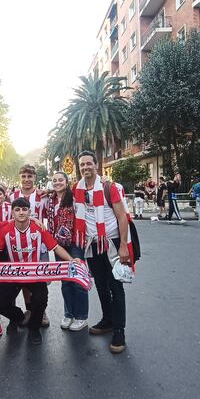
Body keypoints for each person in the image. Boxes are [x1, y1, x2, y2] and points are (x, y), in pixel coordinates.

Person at [0, 198, 83, 346]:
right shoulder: (6, 231)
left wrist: (71, 259)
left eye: (24, 209)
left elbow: (55, 248)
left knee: (41, 299)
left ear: (29, 211)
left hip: (35, 274)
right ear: (12, 213)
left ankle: (34, 328)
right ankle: (20, 317)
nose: (21, 212)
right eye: (17, 209)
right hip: (13, 275)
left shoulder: (38, 229)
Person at [73, 151, 132, 354]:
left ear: (96, 165)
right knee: (100, 285)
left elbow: (122, 217)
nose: (85, 167)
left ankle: (119, 331)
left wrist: (123, 245)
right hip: (92, 244)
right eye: (82, 164)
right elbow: (61, 195)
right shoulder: (78, 188)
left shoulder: (109, 187)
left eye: (89, 163)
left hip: (113, 243)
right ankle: (107, 320)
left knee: (116, 287)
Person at [47, 171, 88, 331]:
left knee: (77, 279)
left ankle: (81, 316)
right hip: (59, 244)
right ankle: (69, 314)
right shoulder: (50, 200)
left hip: (75, 243)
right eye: (55, 180)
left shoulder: (75, 197)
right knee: (65, 281)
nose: (57, 183)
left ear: (66, 181)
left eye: (60, 180)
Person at [10, 164, 50, 327]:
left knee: (39, 278)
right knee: (25, 277)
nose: (26, 180)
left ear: (34, 178)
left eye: (29, 177)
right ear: (20, 178)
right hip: (19, 244)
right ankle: (30, 309)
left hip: (39, 243)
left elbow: (52, 211)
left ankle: (41, 310)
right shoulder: (12, 196)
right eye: (24, 177)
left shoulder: (42, 196)